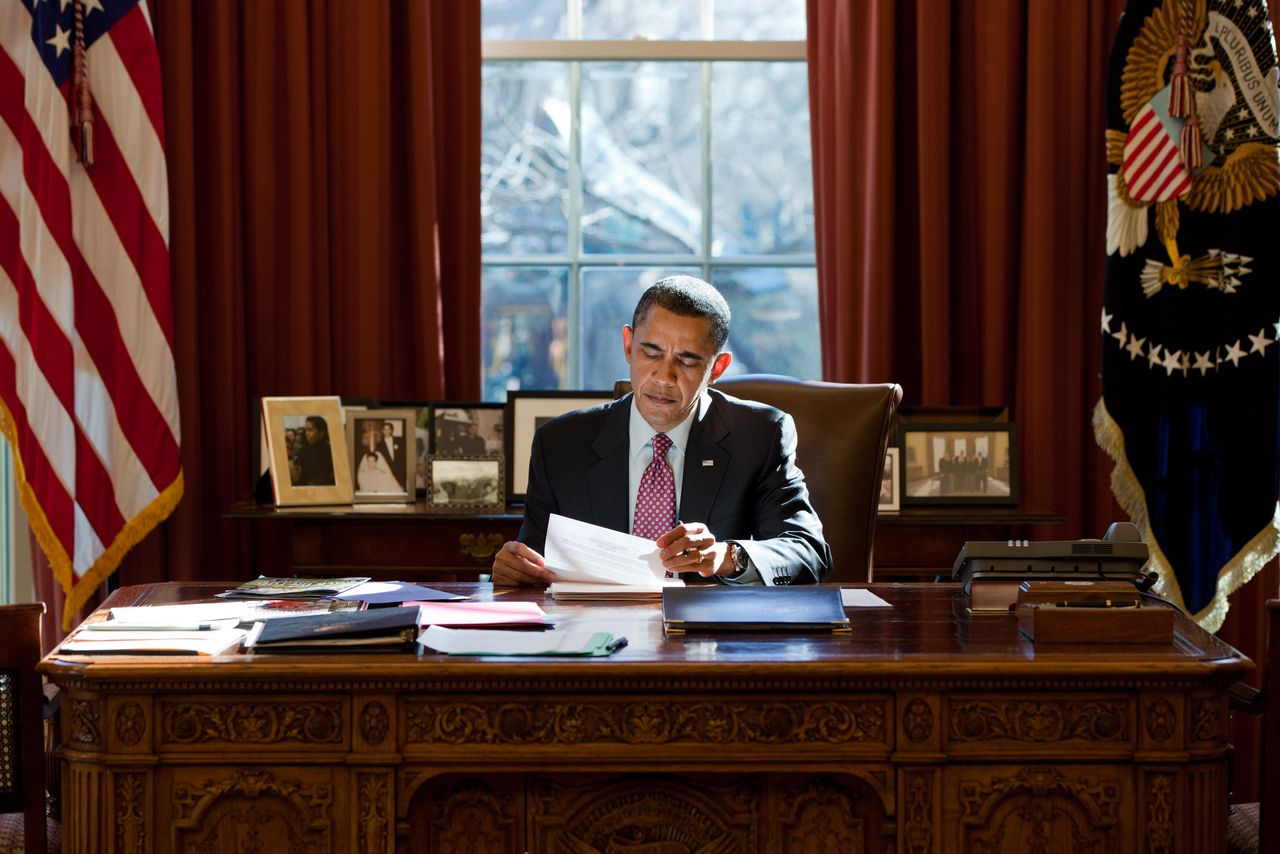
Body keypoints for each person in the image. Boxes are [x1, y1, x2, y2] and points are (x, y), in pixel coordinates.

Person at [492, 275, 831, 586]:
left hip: (707, 641)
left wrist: (726, 557)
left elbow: (808, 552)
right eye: (651, 353)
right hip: (596, 636)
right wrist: (514, 569)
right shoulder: (561, 444)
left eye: (686, 361)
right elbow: (532, 560)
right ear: (628, 346)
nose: (664, 377)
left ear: (717, 368)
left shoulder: (760, 436)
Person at [290, 416, 335, 486]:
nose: (307, 433)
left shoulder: (329, 451)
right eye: (306, 430)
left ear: (321, 433)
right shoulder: (303, 449)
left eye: (310, 430)